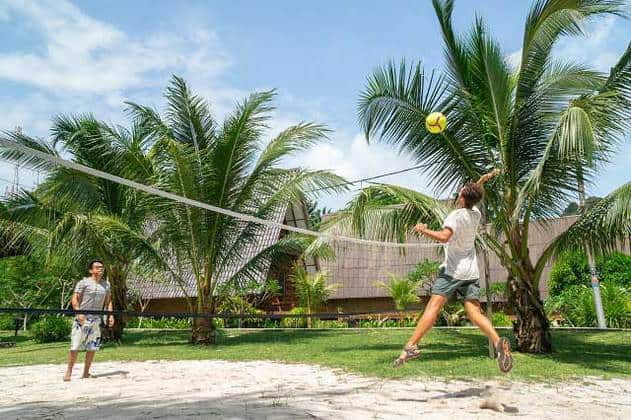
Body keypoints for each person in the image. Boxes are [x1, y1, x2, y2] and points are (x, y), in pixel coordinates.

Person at [393, 168, 513, 373]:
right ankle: (496, 342)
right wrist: (484, 179)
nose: (458, 193)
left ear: (463, 197)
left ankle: (411, 346)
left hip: (452, 271)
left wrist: (423, 230)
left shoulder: (455, 216)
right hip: (471, 271)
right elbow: (477, 190)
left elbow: (444, 237)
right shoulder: (475, 214)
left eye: (460, 191)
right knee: (474, 312)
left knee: (433, 307)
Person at [63, 260, 114, 381]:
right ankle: (68, 372)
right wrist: (78, 312)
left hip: (96, 319)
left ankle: (86, 372)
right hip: (82, 318)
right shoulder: (83, 282)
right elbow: (74, 299)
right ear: (91, 270)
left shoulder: (106, 285)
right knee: (75, 345)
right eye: (97, 267)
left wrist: (111, 315)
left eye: (102, 267)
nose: (100, 269)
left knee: (92, 347)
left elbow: (108, 301)